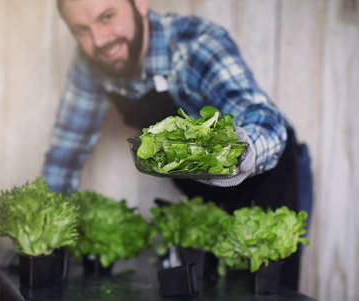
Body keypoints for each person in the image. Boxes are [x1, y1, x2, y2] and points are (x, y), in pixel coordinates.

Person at [43, 0, 312, 290]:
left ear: (140, 4)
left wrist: (237, 154)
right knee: (209, 288)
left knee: (264, 289)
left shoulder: (197, 46)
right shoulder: (91, 63)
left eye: (107, 17)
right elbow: (66, 151)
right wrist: (46, 232)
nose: (99, 40)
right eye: (81, 30)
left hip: (268, 173)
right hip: (205, 188)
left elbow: (260, 116)